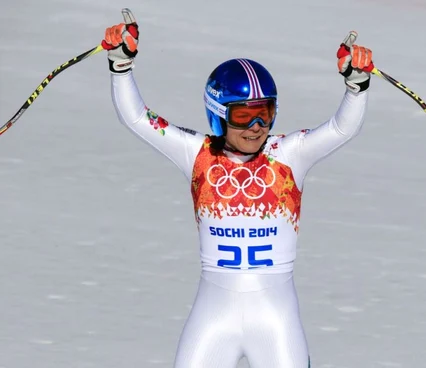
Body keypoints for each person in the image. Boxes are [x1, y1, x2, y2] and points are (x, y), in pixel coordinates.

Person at [102, 8, 374, 368]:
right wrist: (121, 67)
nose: (258, 125)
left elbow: (342, 129)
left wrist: (356, 88)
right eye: (243, 115)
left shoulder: (290, 154)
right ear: (218, 114)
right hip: (214, 318)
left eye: (266, 111)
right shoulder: (198, 153)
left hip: (276, 321)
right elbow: (137, 118)